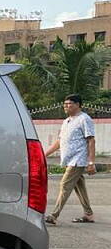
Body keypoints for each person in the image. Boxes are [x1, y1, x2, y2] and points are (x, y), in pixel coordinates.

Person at [44, 94, 96, 224]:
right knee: (80, 186)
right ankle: (88, 214)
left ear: (78, 105)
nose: (66, 106)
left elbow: (91, 140)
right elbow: (60, 141)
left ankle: (54, 215)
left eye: (69, 104)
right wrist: (44, 154)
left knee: (65, 184)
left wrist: (91, 162)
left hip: (78, 159)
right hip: (69, 160)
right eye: (65, 104)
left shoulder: (84, 119)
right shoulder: (66, 121)